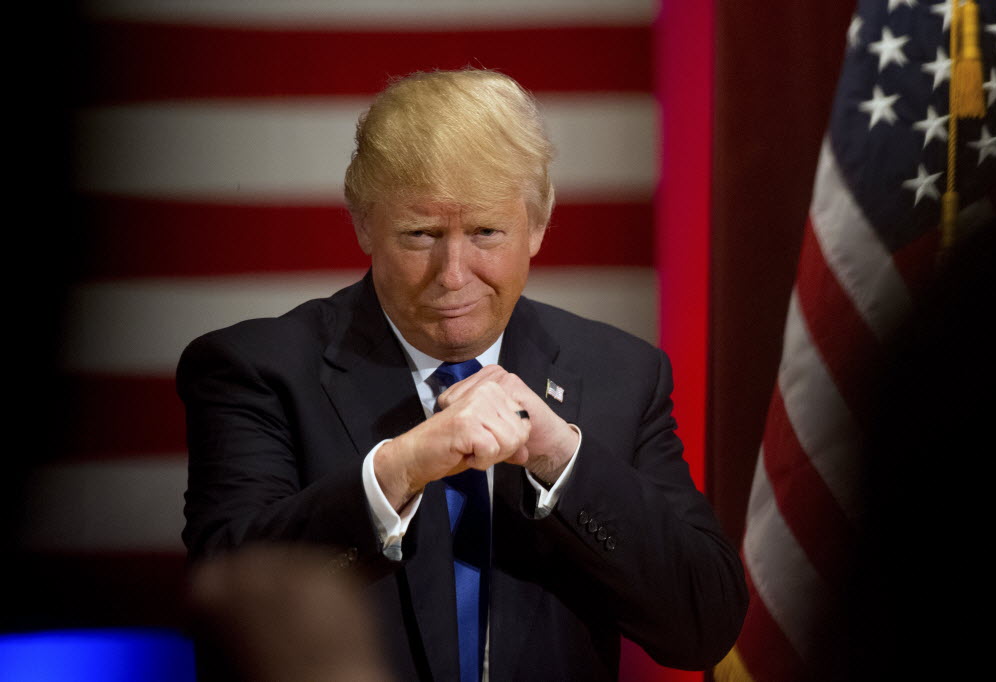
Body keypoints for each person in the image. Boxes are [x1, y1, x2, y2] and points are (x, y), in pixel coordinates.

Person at [179, 68, 747, 681]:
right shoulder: (258, 370)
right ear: (364, 224)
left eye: (485, 232)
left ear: (538, 224)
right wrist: (398, 471)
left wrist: (559, 457)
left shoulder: (619, 374)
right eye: (421, 234)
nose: (453, 274)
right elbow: (228, 614)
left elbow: (704, 626)